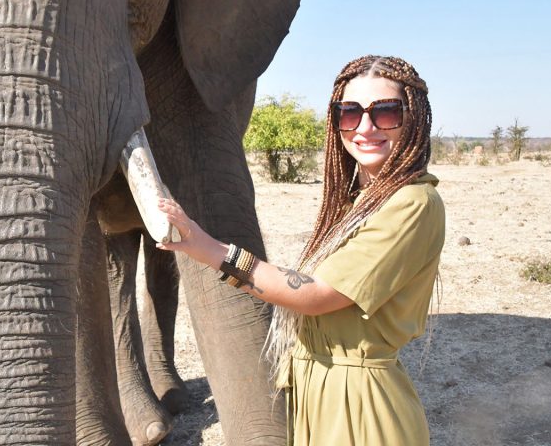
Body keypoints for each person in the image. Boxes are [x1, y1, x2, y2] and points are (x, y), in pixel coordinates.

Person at [156, 55, 444, 445]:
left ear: (412, 119)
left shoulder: (413, 203)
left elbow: (314, 294)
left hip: (358, 404)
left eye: (386, 113)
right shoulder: (358, 202)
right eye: (350, 113)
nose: (365, 127)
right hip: (320, 390)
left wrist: (206, 248)